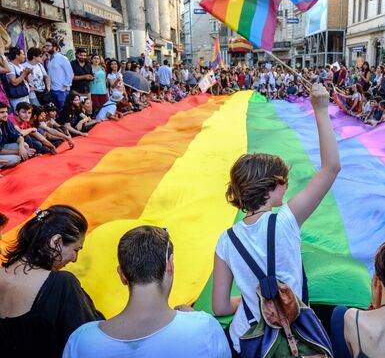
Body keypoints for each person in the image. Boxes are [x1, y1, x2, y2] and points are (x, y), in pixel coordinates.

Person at [212, 83, 340, 354]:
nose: (287, 187)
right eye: (284, 182)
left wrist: (253, 299)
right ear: (271, 187)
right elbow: (331, 168)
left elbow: (220, 307)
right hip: (295, 337)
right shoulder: (286, 220)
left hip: (248, 343)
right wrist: (320, 109)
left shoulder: (226, 240)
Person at [63, 226, 230, 357]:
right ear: (170, 265)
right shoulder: (204, 328)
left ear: (122, 275)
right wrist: (193, 318)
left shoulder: (82, 341)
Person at [0, 205, 103, 358]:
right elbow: (92, 340)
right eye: (76, 250)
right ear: (56, 242)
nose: (75, 259)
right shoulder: (62, 284)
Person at [0, 102, 34, 169]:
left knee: (25, 145)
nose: (6, 114)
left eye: (6, 112)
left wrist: (21, 147)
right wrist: (19, 151)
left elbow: (18, 135)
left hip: (2, 146)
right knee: (16, 159)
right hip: (1, 151)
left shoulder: (5, 121)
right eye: (2, 112)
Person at [45, 38, 74, 112]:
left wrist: (64, 88)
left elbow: (70, 73)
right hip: (52, 90)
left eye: (48, 46)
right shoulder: (49, 59)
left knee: (64, 111)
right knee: (55, 113)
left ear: (54, 47)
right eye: (45, 46)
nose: (46, 48)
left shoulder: (62, 58)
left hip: (61, 90)